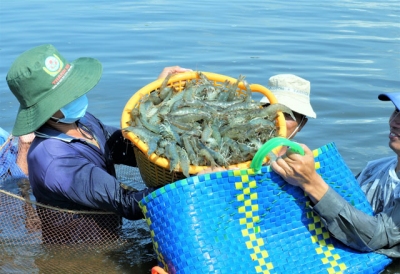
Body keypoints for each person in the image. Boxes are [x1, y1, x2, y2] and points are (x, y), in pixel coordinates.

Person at [6, 44, 191, 242]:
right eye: (66, 95)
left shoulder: (81, 121)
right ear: (46, 109)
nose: (76, 95)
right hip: (85, 253)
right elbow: (127, 203)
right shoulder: (54, 161)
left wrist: (155, 98)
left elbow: (127, 147)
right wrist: (189, 186)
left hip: (112, 228)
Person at [271, 92, 400, 258]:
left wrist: (311, 181)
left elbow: (375, 238)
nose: (394, 122)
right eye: (395, 112)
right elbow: (347, 205)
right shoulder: (374, 170)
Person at [260, 74, 316, 139]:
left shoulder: (298, 149)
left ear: (302, 124)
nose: (277, 120)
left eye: (287, 114)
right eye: (270, 110)